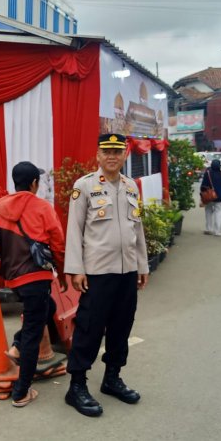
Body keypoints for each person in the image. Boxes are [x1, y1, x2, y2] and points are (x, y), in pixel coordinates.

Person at [64, 133, 149, 418]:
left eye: (117, 151)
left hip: (126, 271)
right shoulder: (84, 186)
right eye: (107, 151)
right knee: (89, 327)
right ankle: (76, 386)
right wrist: (75, 269)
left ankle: (112, 378)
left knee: (121, 327)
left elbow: (137, 229)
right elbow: (74, 231)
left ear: (125, 155)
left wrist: (143, 265)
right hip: (98, 272)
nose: (112, 156)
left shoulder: (130, 187)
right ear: (98, 156)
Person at [0, 161, 67, 408]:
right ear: (34, 184)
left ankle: (18, 346)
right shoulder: (43, 207)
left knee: (46, 309)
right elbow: (58, 245)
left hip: (15, 280)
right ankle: (21, 391)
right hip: (37, 277)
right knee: (33, 329)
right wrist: (61, 275)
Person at [200, 159, 221, 236]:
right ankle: (217, 231)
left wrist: (202, 196)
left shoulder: (207, 174)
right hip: (220, 196)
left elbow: (203, 185)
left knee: (208, 212)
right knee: (219, 213)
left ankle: (208, 229)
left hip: (209, 197)